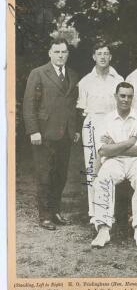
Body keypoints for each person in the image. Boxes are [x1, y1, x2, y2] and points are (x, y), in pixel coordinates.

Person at [23, 38, 80, 230]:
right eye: (56, 52)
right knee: (44, 175)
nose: (60, 55)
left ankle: (55, 211)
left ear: (68, 54)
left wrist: (75, 129)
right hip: (44, 133)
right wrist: (33, 130)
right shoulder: (38, 73)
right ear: (50, 53)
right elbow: (29, 105)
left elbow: (73, 107)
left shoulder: (72, 74)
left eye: (63, 52)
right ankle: (45, 216)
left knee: (60, 175)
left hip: (65, 134)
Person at [91, 82, 137, 248]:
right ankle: (103, 229)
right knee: (103, 178)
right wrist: (129, 142)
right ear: (116, 96)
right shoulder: (106, 119)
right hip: (114, 161)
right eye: (122, 95)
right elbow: (103, 151)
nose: (126, 99)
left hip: (136, 160)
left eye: (129, 96)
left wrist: (115, 146)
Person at [77, 42, 124, 223]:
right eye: (99, 53)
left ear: (110, 57)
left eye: (106, 53)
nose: (103, 57)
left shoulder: (118, 79)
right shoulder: (85, 81)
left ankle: (109, 212)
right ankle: (94, 212)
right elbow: (82, 110)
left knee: (110, 165)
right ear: (93, 57)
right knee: (92, 168)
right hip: (92, 123)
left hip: (112, 123)